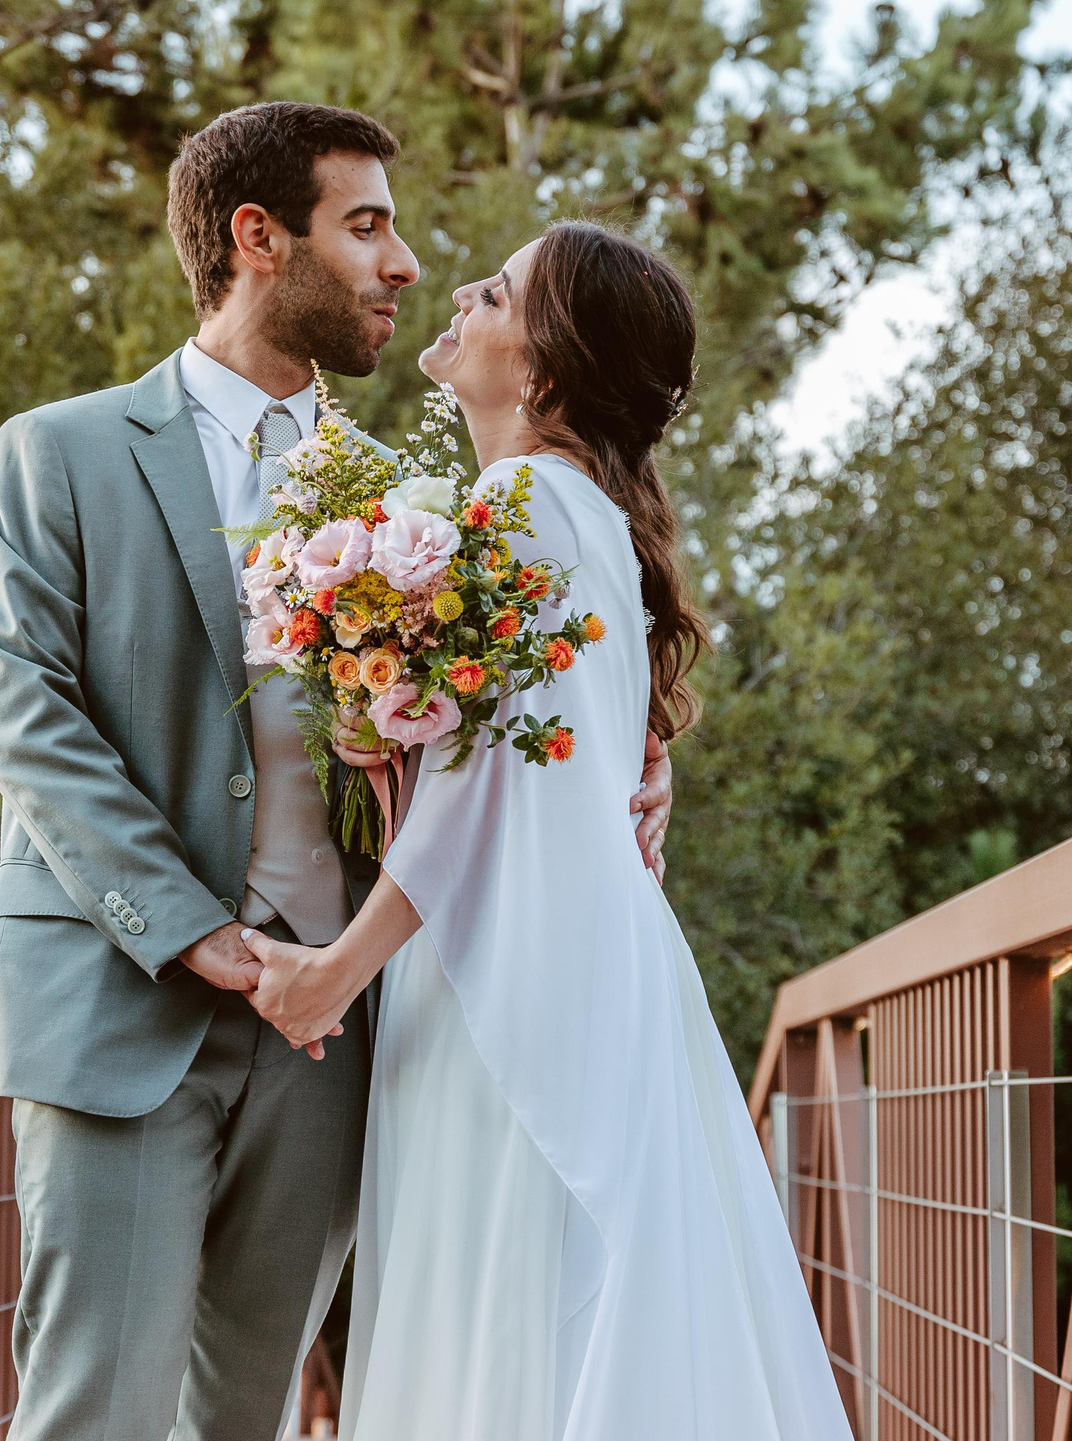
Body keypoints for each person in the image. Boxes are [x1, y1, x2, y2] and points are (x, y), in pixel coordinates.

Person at [0, 106, 678, 1439]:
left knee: (253, 1417)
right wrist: (195, 937)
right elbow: (24, 721)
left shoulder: (408, 495)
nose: (405, 262)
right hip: (125, 1006)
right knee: (92, 1411)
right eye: (367, 225)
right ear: (257, 239)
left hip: (334, 1033)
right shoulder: (57, 455)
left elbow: (518, 700)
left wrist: (639, 765)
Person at [241, 223, 852, 1440]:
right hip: (569, 964)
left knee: (502, 1315)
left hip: (507, 986)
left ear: (543, 372)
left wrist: (333, 973)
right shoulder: (576, 515)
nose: (462, 291)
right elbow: (529, 772)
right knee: (561, 1308)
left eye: (500, 291)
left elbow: (492, 797)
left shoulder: (520, 501)